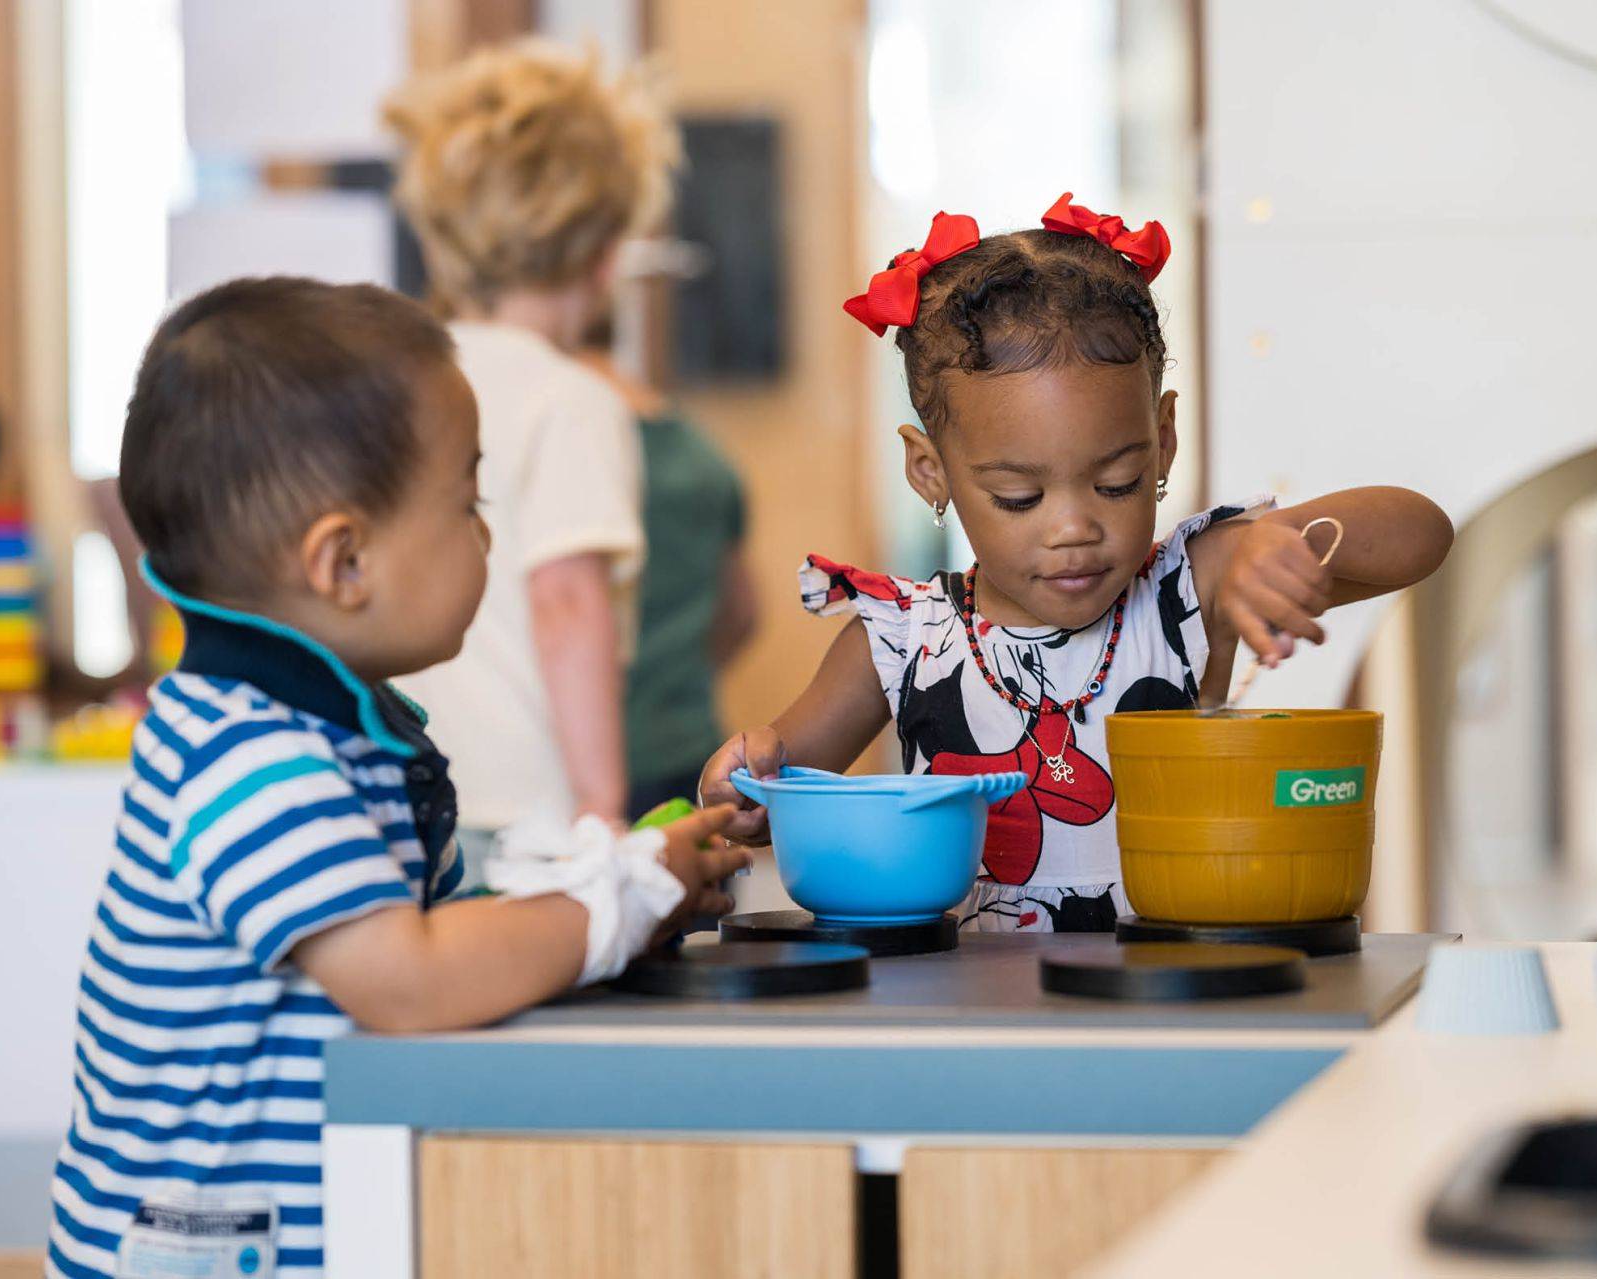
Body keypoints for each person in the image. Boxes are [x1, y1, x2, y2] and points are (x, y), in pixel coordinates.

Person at [45, 277, 745, 1278]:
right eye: (467, 502)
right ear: (343, 562)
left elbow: (455, 932)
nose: (487, 535)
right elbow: (409, 979)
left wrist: (640, 883)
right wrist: (623, 895)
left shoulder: (341, 729)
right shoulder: (250, 759)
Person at [698, 195, 1454, 933]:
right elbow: (775, 794)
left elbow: (1423, 536)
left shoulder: (1190, 589)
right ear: (931, 471)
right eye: (1019, 496)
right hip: (974, 1016)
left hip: (1162, 994)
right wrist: (742, 783)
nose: (1073, 528)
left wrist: (1277, 542)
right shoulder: (900, 638)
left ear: (1162, 440)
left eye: (1116, 484)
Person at [384, 40, 680, 841]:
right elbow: (566, 599)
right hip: (528, 813)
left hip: (403, 791)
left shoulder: (397, 378)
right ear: (604, 248)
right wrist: (599, 809)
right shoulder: (571, 399)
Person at [572, 330, 758, 820]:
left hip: (579, 760)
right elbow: (742, 612)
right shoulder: (704, 457)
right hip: (687, 744)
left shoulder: (569, 450)